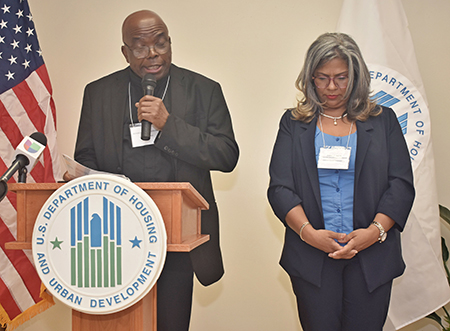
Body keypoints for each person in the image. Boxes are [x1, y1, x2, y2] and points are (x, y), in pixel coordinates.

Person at [73, 10, 239, 330]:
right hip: (114, 239)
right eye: (140, 46)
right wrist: (80, 177)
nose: (152, 53)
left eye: (160, 43)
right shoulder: (99, 93)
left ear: (170, 43)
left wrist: (168, 125)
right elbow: (87, 157)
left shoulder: (204, 90)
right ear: (125, 52)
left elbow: (227, 155)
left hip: (178, 238)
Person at [267, 32, 414, 331]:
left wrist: (374, 232)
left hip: (371, 256)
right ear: (310, 78)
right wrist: (309, 234)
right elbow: (280, 188)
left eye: (341, 78)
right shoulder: (294, 124)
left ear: (356, 76)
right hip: (312, 258)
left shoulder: (383, 120)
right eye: (322, 78)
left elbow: (400, 185)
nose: (331, 87)